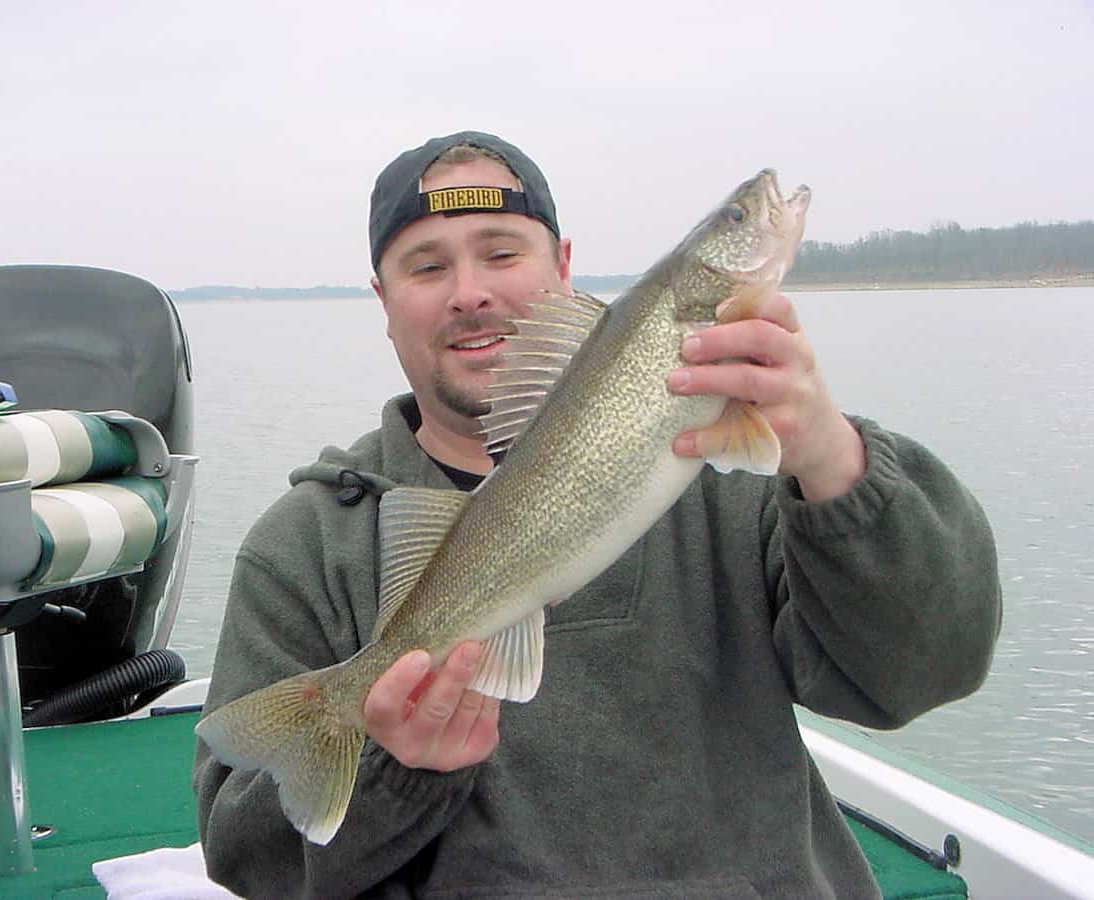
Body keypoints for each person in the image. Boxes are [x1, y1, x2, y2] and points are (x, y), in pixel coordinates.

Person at [193, 130, 1001, 899]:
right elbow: (248, 859)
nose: (470, 291)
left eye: (503, 253)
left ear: (565, 268)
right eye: (426, 266)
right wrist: (395, 771)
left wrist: (828, 453)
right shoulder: (306, 544)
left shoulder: (733, 471)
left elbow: (928, 671)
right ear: (383, 297)